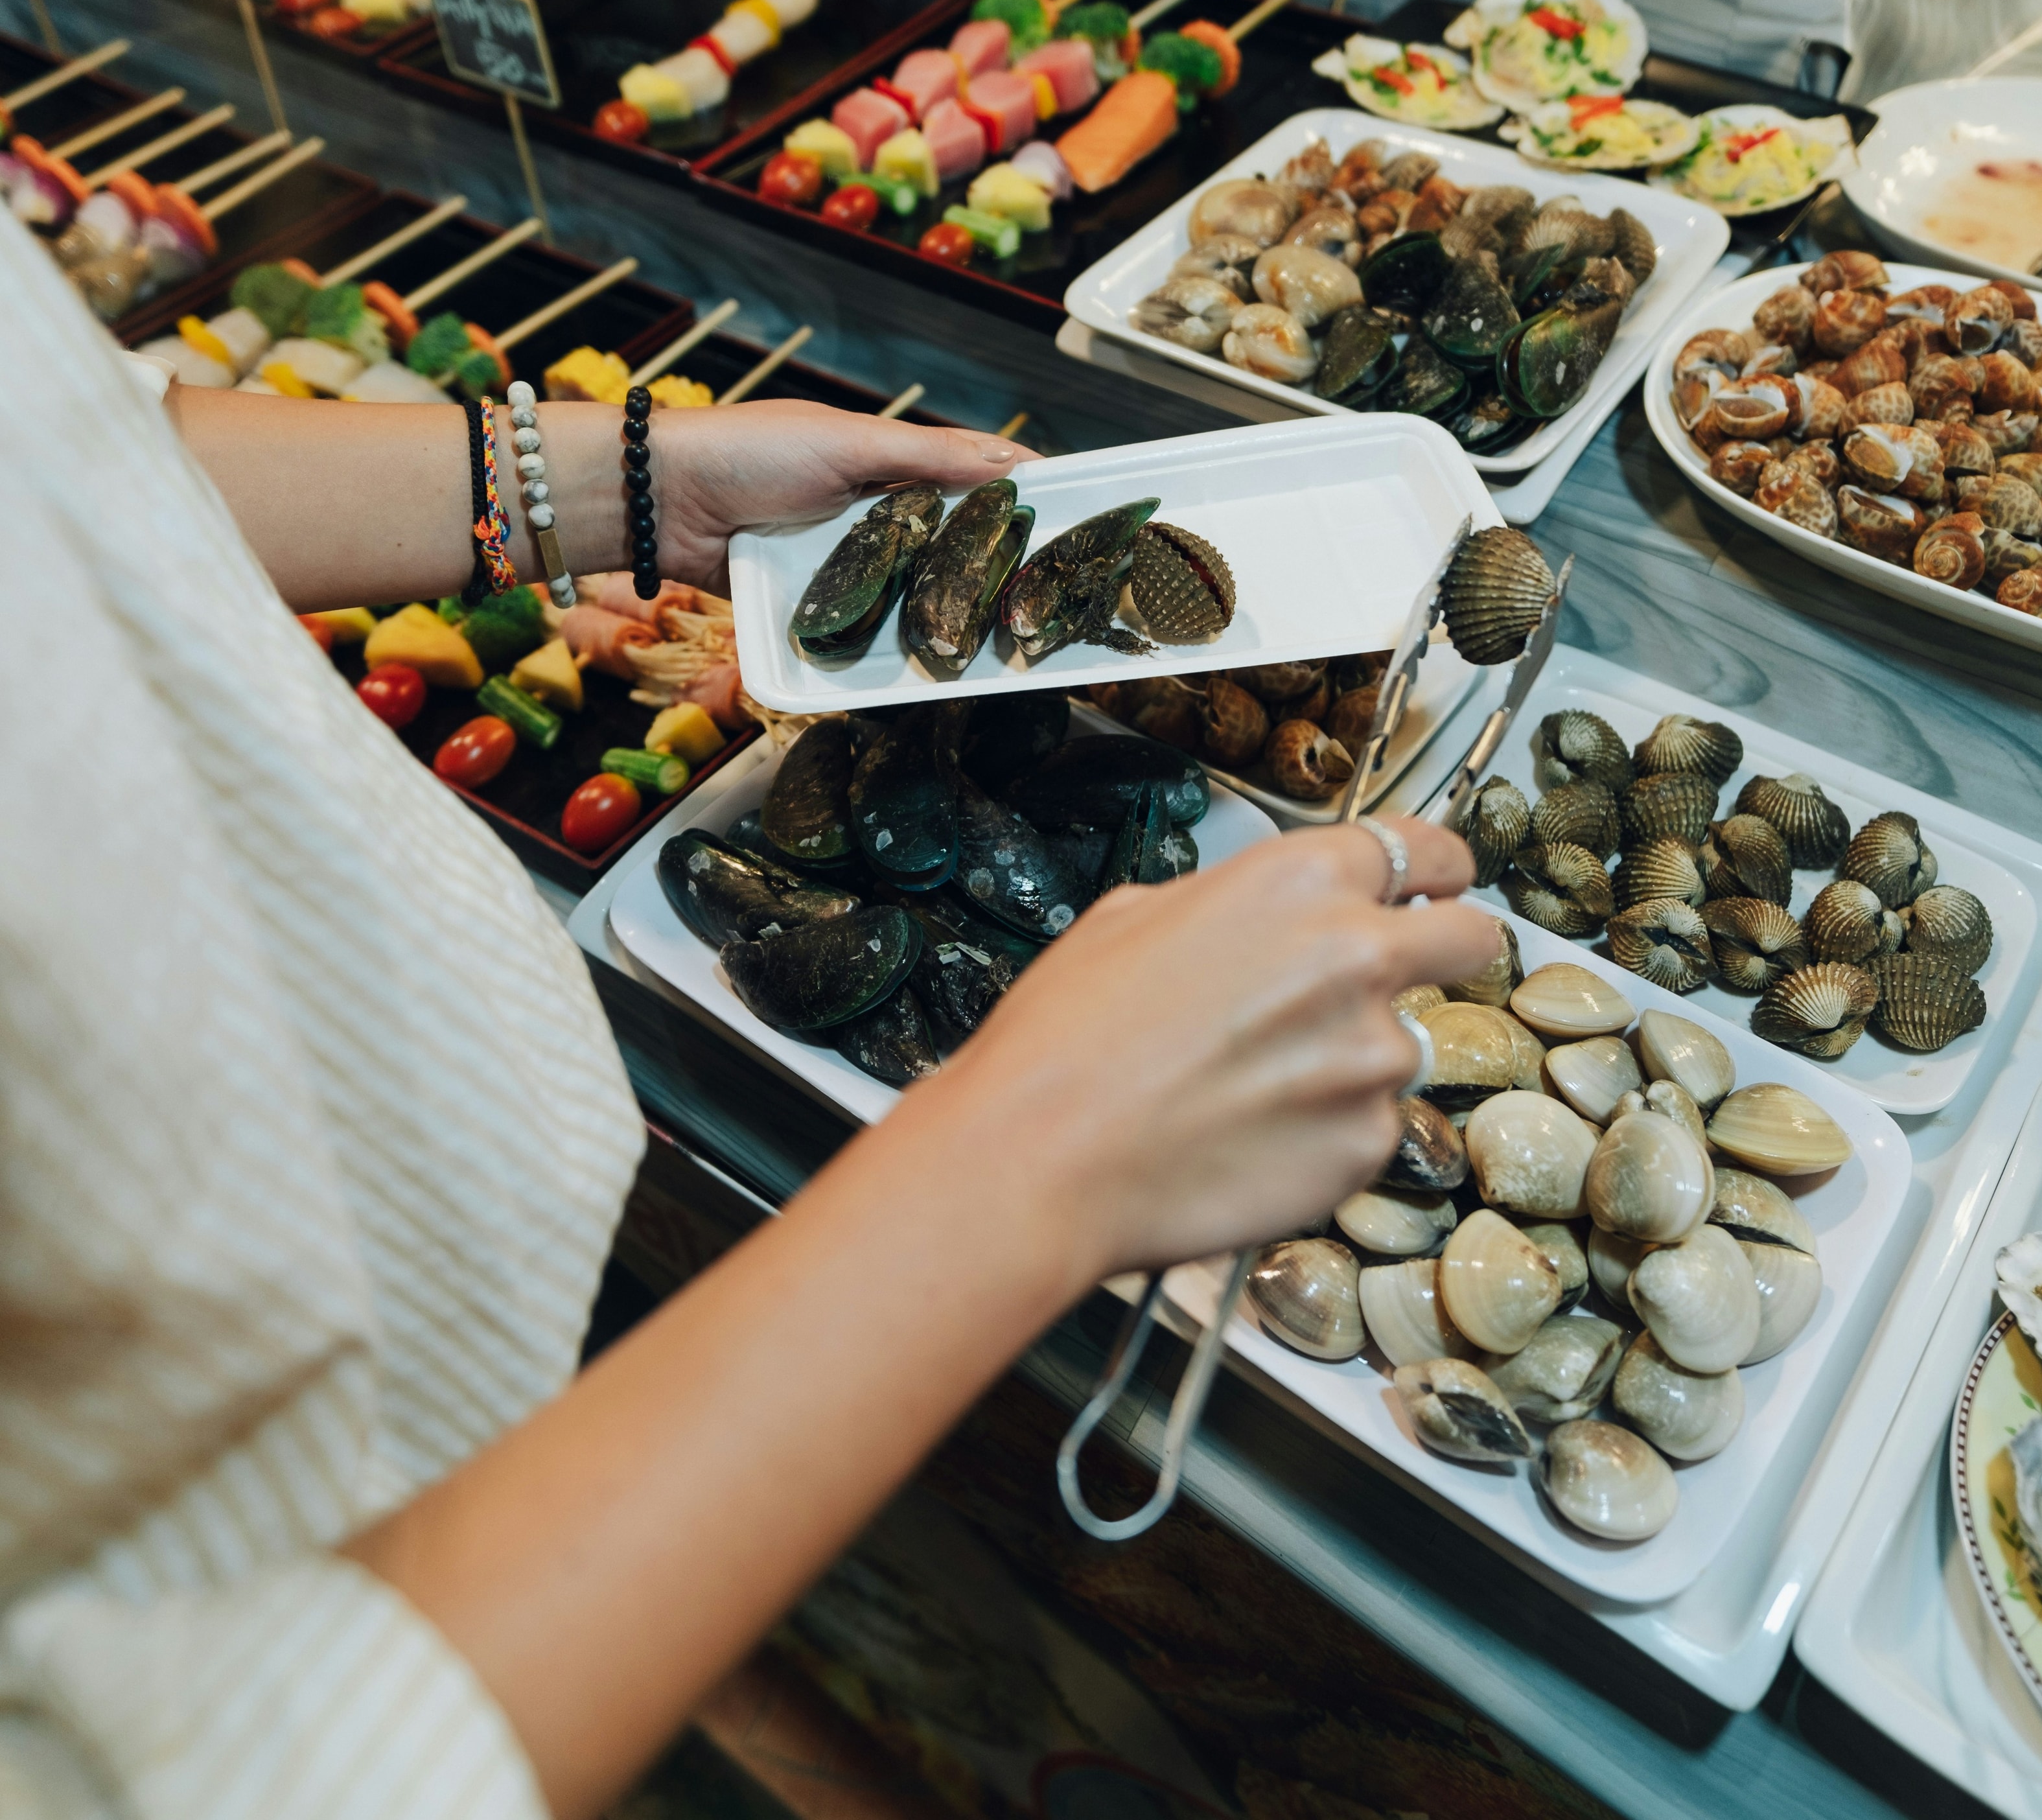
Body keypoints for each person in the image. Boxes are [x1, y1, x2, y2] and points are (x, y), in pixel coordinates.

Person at [0, 210, 1496, 1820]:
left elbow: (65, 465)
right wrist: (1035, 1155)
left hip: (428, 1345)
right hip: (306, 1590)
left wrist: (631, 487)